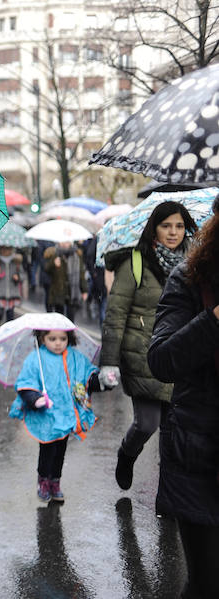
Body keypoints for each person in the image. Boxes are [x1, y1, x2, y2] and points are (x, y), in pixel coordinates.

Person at [148, 203, 219, 599]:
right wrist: (213, 319)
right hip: (200, 455)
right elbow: (161, 360)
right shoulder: (190, 279)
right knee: (208, 584)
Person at [101, 201, 197, 491]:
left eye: (179, 226)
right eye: (166, 225)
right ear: (154, 229)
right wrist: (109, 361)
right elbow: (116, 313)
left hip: (179, 356)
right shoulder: (136, 263)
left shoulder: (194, 264)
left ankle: (168, 495)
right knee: (146, 424)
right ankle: (127, 454)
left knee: (173, 432)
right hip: (141, 357)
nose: (173, 232)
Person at [9, 326, 107, 503]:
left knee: (60, 451)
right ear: (42, 338)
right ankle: (43, 480)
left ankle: (55, 481)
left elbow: (86, 376)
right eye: (52, 339)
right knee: (47, 449)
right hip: (46, 416)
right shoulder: (36, 359)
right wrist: (35, 398)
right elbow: (26, 382)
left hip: (66, 413)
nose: (58, 343)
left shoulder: (75, 357)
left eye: (62, 339)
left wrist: (101, 381)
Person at [43, 241, 88, 321]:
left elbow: (81, 273)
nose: (65, 243)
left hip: (72, 290)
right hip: (59, 289)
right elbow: (46, 269)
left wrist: (84, 290)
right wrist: (53, 264)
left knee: (71, 317)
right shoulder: (54, 253)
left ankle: (70, 333)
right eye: (63, 241)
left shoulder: (77, 254)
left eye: (67, 242)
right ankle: (59, 333)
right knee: (59, 317)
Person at [0, 245, 25, 330]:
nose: (6, 250)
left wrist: (18, 277)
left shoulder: (16, 262)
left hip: (12, 294)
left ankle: (8, 336)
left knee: (10, 318)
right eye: (3, 248)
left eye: (8, 248)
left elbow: (23, 275)